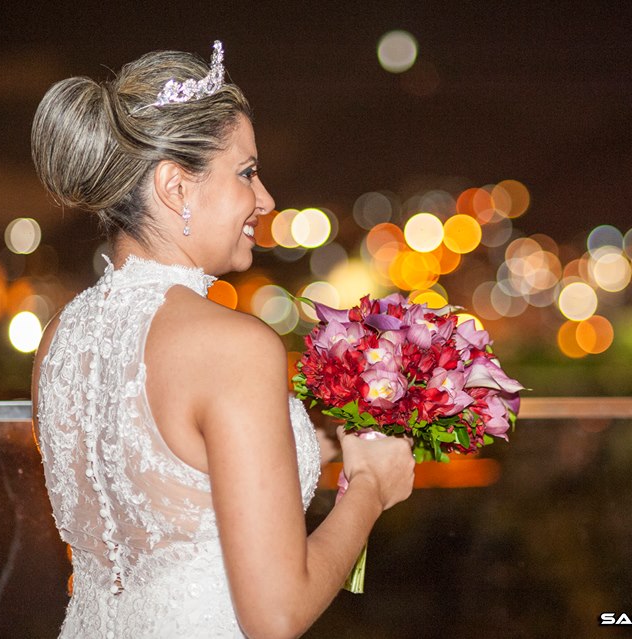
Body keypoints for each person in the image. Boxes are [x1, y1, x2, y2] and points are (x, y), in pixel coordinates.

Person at [29, 41, 415, 638]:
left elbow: (168, 484)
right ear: (175, 187)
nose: (266, 199)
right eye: (246, 173)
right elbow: (276, 615)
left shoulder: (59, 339)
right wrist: (370, 487)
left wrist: (318, 442)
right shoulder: (234, 346)